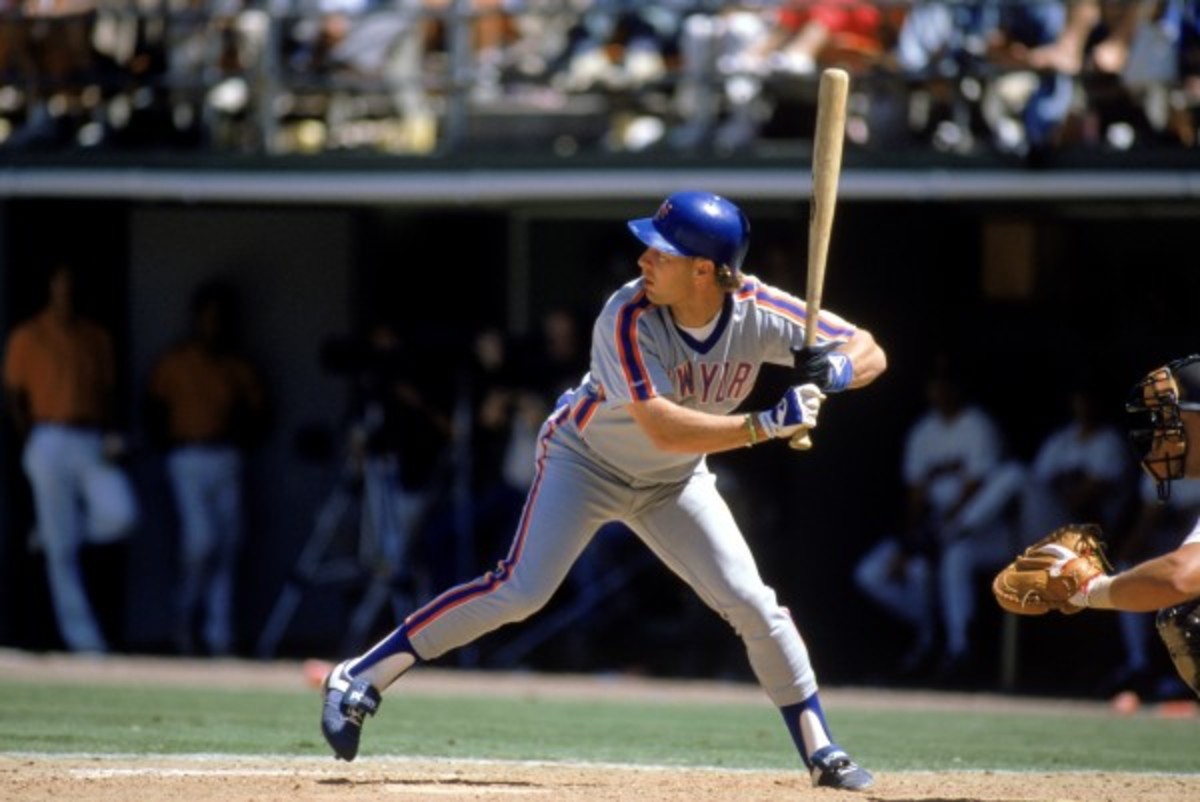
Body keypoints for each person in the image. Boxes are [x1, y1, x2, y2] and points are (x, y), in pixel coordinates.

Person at [318, 190, 888, 791]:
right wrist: (765, 424)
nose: (643, 259)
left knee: (753, 603)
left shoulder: (758, 309)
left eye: (661, 252)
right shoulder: (625, 314)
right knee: (520, 591)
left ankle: (822, 751)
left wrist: (838, 370)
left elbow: (869, 346)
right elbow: (662, 426)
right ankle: (360, 676)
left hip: (673, 483)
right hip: (585, 461)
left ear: (703, 270)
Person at [854, 358, 1024, 683]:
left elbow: (976, 488)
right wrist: (913, 541)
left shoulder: (978, 425)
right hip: (935, 528)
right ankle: (930, 636)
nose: (939, 391)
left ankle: (959, 649)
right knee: (874, 573)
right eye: (935, 385)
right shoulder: (924, 432)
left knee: (954, 557)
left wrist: (933, 536)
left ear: (959, 389)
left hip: (982, 530)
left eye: (946, 384)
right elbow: (915, 495)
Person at [3, 263, 138, 653]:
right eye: (62, 283)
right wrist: (30, 440)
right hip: (47, 434)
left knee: (120, 515)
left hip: (91, 436)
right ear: (50, 286)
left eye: (74, 284)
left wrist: (112, 432)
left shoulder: (95, 337)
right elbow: (14, 396)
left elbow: (108, 391)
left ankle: (54, 530)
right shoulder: (27, 335)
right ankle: (85, 641)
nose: (68, 291)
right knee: (61, 554)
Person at [145, 280, 269, 656]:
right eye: (208, 316)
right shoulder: (176, 360)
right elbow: (151, 405)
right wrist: (165, 444)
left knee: (229, 546)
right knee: (200, 543)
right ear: (197, 319)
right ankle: (182, 622)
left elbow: (260, 408)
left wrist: (240, 440)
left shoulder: (235, 364)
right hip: (186, 456)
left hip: (226, 456)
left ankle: (219, 636)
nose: (214, 324)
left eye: (220, 318)